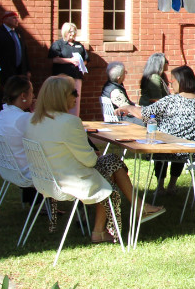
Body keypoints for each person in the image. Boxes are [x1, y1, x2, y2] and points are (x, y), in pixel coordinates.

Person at [24, 76, 164, 244]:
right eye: (73, 92)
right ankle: (118, 219)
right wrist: (93, 154)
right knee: (111, 165)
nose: (76, 96)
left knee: (111, 161)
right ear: (61, 96)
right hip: (71, 182)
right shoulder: (69, 122)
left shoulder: (33, 120)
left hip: (45, 180)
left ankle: (133, 209)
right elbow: (90, 161)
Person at [116, 65, 195, 194]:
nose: (171, 85)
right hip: (193, 150)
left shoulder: (170, 100)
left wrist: (128, 107)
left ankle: (160, 186)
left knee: (162, 141)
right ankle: (172, 185)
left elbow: (144, 113)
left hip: (166, 149)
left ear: (180, 82)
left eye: (172, 81)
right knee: (180, 140)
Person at [0, 75, 37, 205]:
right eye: (31, 92)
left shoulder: (0, 116)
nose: (33, 96)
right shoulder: (23, 118)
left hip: (9, 169)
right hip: (28, 173)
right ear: (23, 95)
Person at [0, 11, 30, 104]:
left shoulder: (19, 33)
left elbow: (24, 52)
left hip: (19, 72)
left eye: (17, 18)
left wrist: (27, 70)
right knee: (3, 98)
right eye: (13, 18)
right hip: (4, 73)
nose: (17, 20)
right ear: (5, 19)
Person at [49, 22, 89, 114]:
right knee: (61, 100)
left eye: (75, 31)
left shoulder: (79, 46)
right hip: (62, 78)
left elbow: (86, 59)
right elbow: (55, 59)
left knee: (75, 100)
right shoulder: (58, 44)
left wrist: (81, 63)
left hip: (76, 77)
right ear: (65, 32)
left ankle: (74, 119)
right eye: (70, 31)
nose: (73, 33)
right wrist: (70, 61)